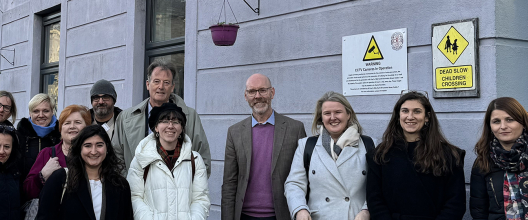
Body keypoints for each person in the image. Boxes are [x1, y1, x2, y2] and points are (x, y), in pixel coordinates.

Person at [366, 91, 466, 219]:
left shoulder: (449, 155)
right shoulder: (380, 154)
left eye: (417, 111)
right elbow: (375, 200)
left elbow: (455, 203)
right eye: (405, 111)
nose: (410, 116)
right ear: (398, 116)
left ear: (427, 117)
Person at [222, 74, 307, 220]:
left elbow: (304, 177)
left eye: (262, 90)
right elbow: (230, 183)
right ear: (246, 96)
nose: (257, 96)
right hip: (244, 215)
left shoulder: (295, 129)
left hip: (282, 214)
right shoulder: (234, 132)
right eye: (252, 91)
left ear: (272, 92)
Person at [284, 91, 374, 220]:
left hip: (356, 216)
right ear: (321, 117)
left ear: (348, 114)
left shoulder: (368, 145)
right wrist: (300, 209)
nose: (332, 117)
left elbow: (378, 186)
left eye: (338, 112)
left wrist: (366, 210)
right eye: (327, 113)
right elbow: (294, 184)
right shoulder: (306, 146)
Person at [112, 61, 211, 175]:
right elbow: (116, 157)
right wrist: (130, 185)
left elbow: (203, 160)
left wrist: (184, 186)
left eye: (166, 82)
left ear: (172, 87)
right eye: (156, 81)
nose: (161, 87)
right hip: (137, 189)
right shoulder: (125, 118)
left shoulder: (191, 116)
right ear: (148, 84)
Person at [127, 103, 210, 219]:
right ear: (156, 127)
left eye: (176, 122)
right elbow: (134, 197)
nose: (170, 126)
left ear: (181, 128)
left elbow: (200, 199)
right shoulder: (141, 159)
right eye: (165, 121)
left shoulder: (195, 160)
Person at [36, 125, 133, 220]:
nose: (94, 151)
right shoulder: (60, 178)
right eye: (88, 146)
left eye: (99, 145)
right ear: (79, 149)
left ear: (107, 148)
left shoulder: (120, 185)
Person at [23, 105, 91, 199]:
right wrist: (42, 176)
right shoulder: (47, 153)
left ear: (87, 127)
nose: (72, 126)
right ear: (61, 129)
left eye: (78, 122)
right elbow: (27, 191)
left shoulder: (93, 154)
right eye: (67, 123)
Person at [18, 93, 61, 176]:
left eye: (46, 111)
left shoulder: (61, 135)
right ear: (30, 114)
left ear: (52, 112)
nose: (41, 115)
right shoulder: (19, 136)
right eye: (36, 111)